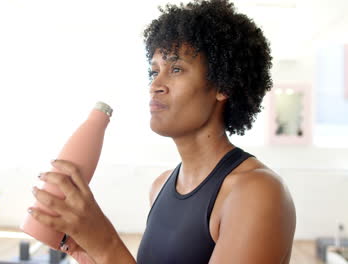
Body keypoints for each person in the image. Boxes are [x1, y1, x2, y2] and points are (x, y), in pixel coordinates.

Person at [27, 0, 296, 263]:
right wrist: (89, 252)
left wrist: (105, 243)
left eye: (176, 69)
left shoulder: (256, 193)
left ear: (222, 86)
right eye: (154, 71)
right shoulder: (161, 186)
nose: (155, 84)